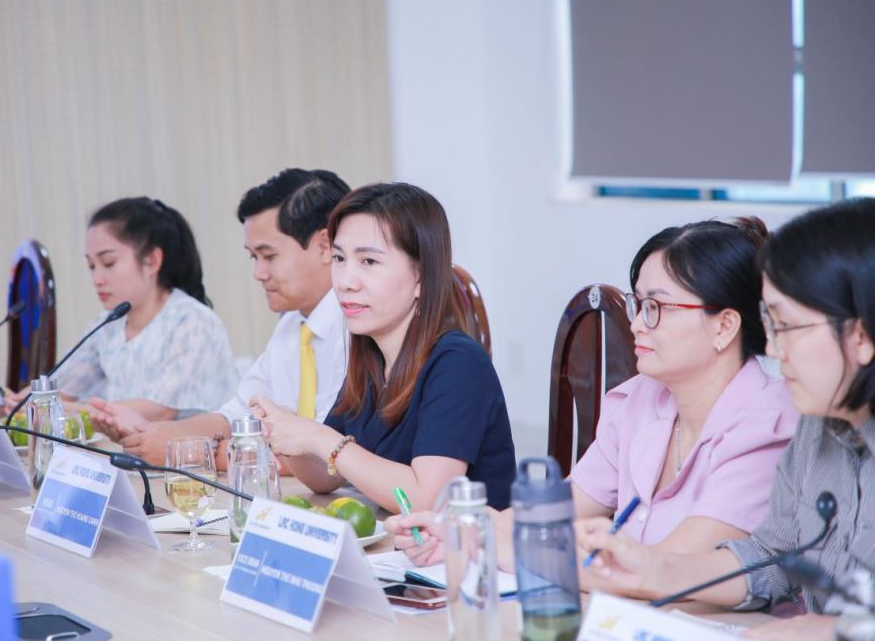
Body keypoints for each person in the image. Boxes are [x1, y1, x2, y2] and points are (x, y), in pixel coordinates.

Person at [387, 217, 798, 563]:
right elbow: (556, 512)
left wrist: (493, 546)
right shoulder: (640, 399)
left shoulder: (768, 425)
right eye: (639, 305)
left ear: (724, 326)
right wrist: (459, 531)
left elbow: (667, 570)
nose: (636, 325)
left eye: (656, 308)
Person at [576, 198, 875, 641]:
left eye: (788, 328)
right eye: (770, 326)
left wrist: (840, 630)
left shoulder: (773, 417)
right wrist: (653, 569)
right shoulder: (815, 429)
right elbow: (769, 557)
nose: (772, 350)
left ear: (861, 336)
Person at [252, 182, 516, 511]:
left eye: (369, 262)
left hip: (470, 544)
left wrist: (319, 438)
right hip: (398, 540)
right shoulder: (372, 357)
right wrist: (290, 434)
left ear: (421, 277)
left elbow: (428, 499)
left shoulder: (458, 363)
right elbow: (326, 476)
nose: (345, 281)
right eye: (339, 258)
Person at [90, 169, 351, 467]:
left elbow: (323, 454)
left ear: (325, 246)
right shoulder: (292, 325)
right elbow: (234, 415)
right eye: (253, 257)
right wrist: (153, 433)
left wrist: (192, 452)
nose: (258, 273)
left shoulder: (357, 329)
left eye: (269, 256)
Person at [0, 196, 237, 422]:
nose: (97, 279)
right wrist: (7, 404)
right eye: (91, 266)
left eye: (108, 263)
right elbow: (58, 390)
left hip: (194, 461)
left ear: (152, 260)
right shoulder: (107, 325)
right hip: (131, 455)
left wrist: (49, 405)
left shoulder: (192, 321)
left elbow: (159, 411)